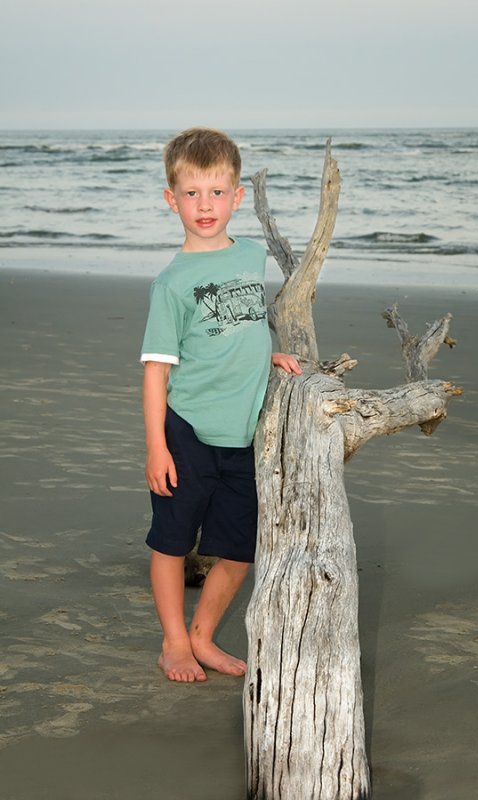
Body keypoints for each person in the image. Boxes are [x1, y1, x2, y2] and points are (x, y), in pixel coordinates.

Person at [140, 127, 301, 683]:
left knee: (238, 548)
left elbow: (240, 322)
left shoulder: (252, 254)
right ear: (171, 199)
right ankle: (174, 642)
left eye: (215, 192)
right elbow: (157, 368)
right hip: (186, 430)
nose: (203, 205)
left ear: (236, 196)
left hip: (242, 433)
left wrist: (268, 354)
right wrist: (157, 446)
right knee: (173, 541)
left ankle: (204, 635)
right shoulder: (171, 283)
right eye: (191, 193)